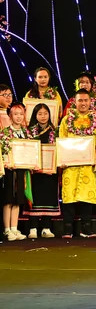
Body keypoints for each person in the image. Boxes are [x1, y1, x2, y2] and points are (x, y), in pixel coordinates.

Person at [59, 90, 96, 238]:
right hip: (70, 166)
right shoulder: (66, 120)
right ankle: (67, 228)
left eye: (86, 100)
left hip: (88, 165)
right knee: (69, 196)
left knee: (87, 196)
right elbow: (62, 141)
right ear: (75, 102)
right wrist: (63, 160)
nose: (83, 103)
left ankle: (86, 228)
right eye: (80, 100)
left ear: (90, 102)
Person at [25, 103, 58, 239]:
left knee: (48, 197)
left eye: (45, 113)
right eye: (40, 114)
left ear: (49, 115)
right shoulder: (29, 131)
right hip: (35, 172)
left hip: (50, 173)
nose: (43, 116)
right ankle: (33, 228)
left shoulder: (54, 131)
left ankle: (46, 227)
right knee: (35, 197)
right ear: (35, 115)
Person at [2, 102, 30, 241]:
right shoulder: (5, 132)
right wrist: (7, 162)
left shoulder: (26, 132)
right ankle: (7, 229)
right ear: (10, 116)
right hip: (9, 170)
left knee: (18, 200)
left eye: (21, 114)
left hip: (21, 170)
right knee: (8, 200)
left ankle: (15, 228)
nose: (18, 117)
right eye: (15, 114)